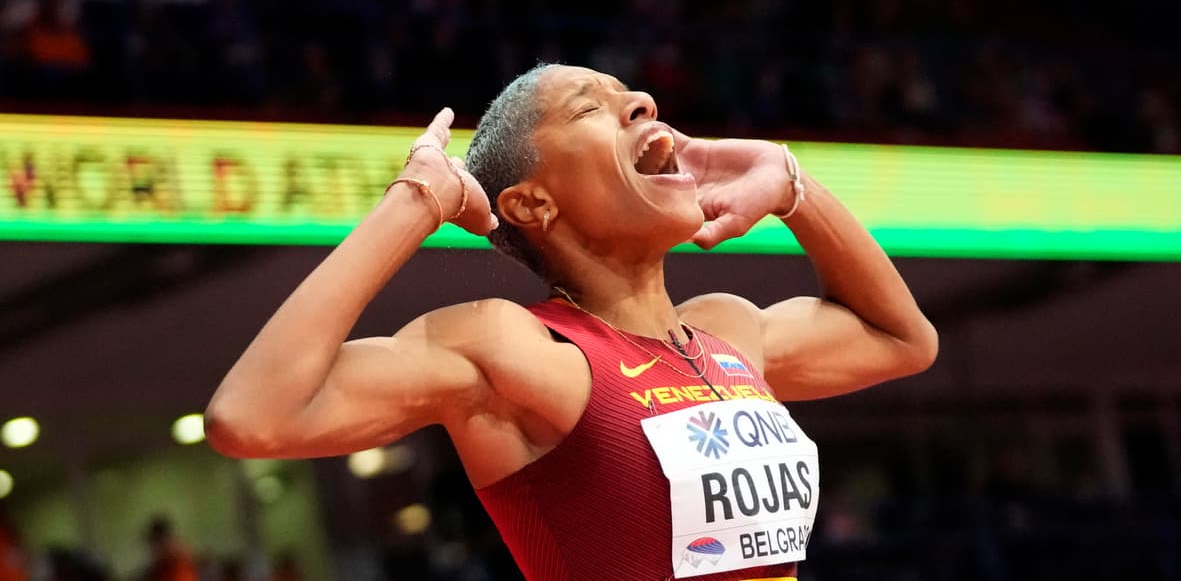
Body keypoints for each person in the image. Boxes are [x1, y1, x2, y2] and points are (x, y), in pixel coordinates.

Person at [206, 63, 937, 580]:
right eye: (591, 109)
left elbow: (903, 340)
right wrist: (416, 200)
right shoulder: (512, 350)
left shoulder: (728, 330)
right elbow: (251, 419)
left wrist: (792, 183)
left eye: (631, 96)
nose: (643, 103)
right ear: (532, 204)